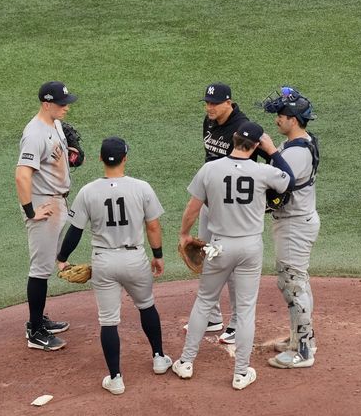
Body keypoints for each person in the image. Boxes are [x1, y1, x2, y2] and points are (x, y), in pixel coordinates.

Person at [172, 122, 294, 390]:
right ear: (254, 146)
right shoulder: (264, 171)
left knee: (205, 301)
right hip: (250, 248)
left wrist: (184, 234)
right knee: (246, 309)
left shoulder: (210, 169)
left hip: (219, 246)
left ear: (234, 140)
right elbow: (290, 179)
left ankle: (186, 362)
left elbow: (192, 209)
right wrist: (272, 150)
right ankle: (241, 373)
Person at [57, 137, 171, 395]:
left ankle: (116, 378)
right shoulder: (141, 187)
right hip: (134, 259)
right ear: (125, 158)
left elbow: (75, 231)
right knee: (146, 306)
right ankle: (159, 358)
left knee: (108, 322)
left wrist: (62, 258)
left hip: (104, 261)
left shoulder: (88, 191)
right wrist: (158, 255)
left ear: (100, 159)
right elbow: (152, 226)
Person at [194, 83, 262, 345]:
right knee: (205, 256)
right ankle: (212, 316)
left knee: (232, 264)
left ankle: (235, 323)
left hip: (232, 209)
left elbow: (258, 161)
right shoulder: (209, 121)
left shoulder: (242, 128)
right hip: (210, 203)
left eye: (214, 103)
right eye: (207, 103)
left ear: (229, 102)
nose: (209, 107)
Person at [260, 87, 320, 369]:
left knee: (293, 284)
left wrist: (270, 150)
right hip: (294, 222)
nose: (277, 120)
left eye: (282, 116)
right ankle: (301, 338)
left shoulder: (297, 153)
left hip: (295, 225)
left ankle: (304, 351)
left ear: (294, 119)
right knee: (293, 282)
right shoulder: (298, 144)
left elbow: (280, 184)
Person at [15, 81, 77, 351]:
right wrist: (31, 211)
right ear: (46, 104)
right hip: (44, 206)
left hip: (58, 201)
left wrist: (72, 157)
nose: (66, 107)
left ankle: (39, 319)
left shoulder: (56, 124)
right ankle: (35, 331)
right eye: (62, 104)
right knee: (40, 270)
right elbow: (21, 175)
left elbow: (55, 158)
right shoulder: (34, 134)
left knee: (46, 265)